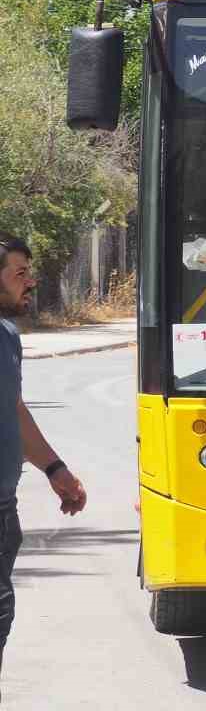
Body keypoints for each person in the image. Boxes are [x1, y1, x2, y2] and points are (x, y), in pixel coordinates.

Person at [0, 236, 87, 676]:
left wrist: (55, 470)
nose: (30, 282)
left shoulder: (7, 337)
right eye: (20, 273)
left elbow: (13, 409)